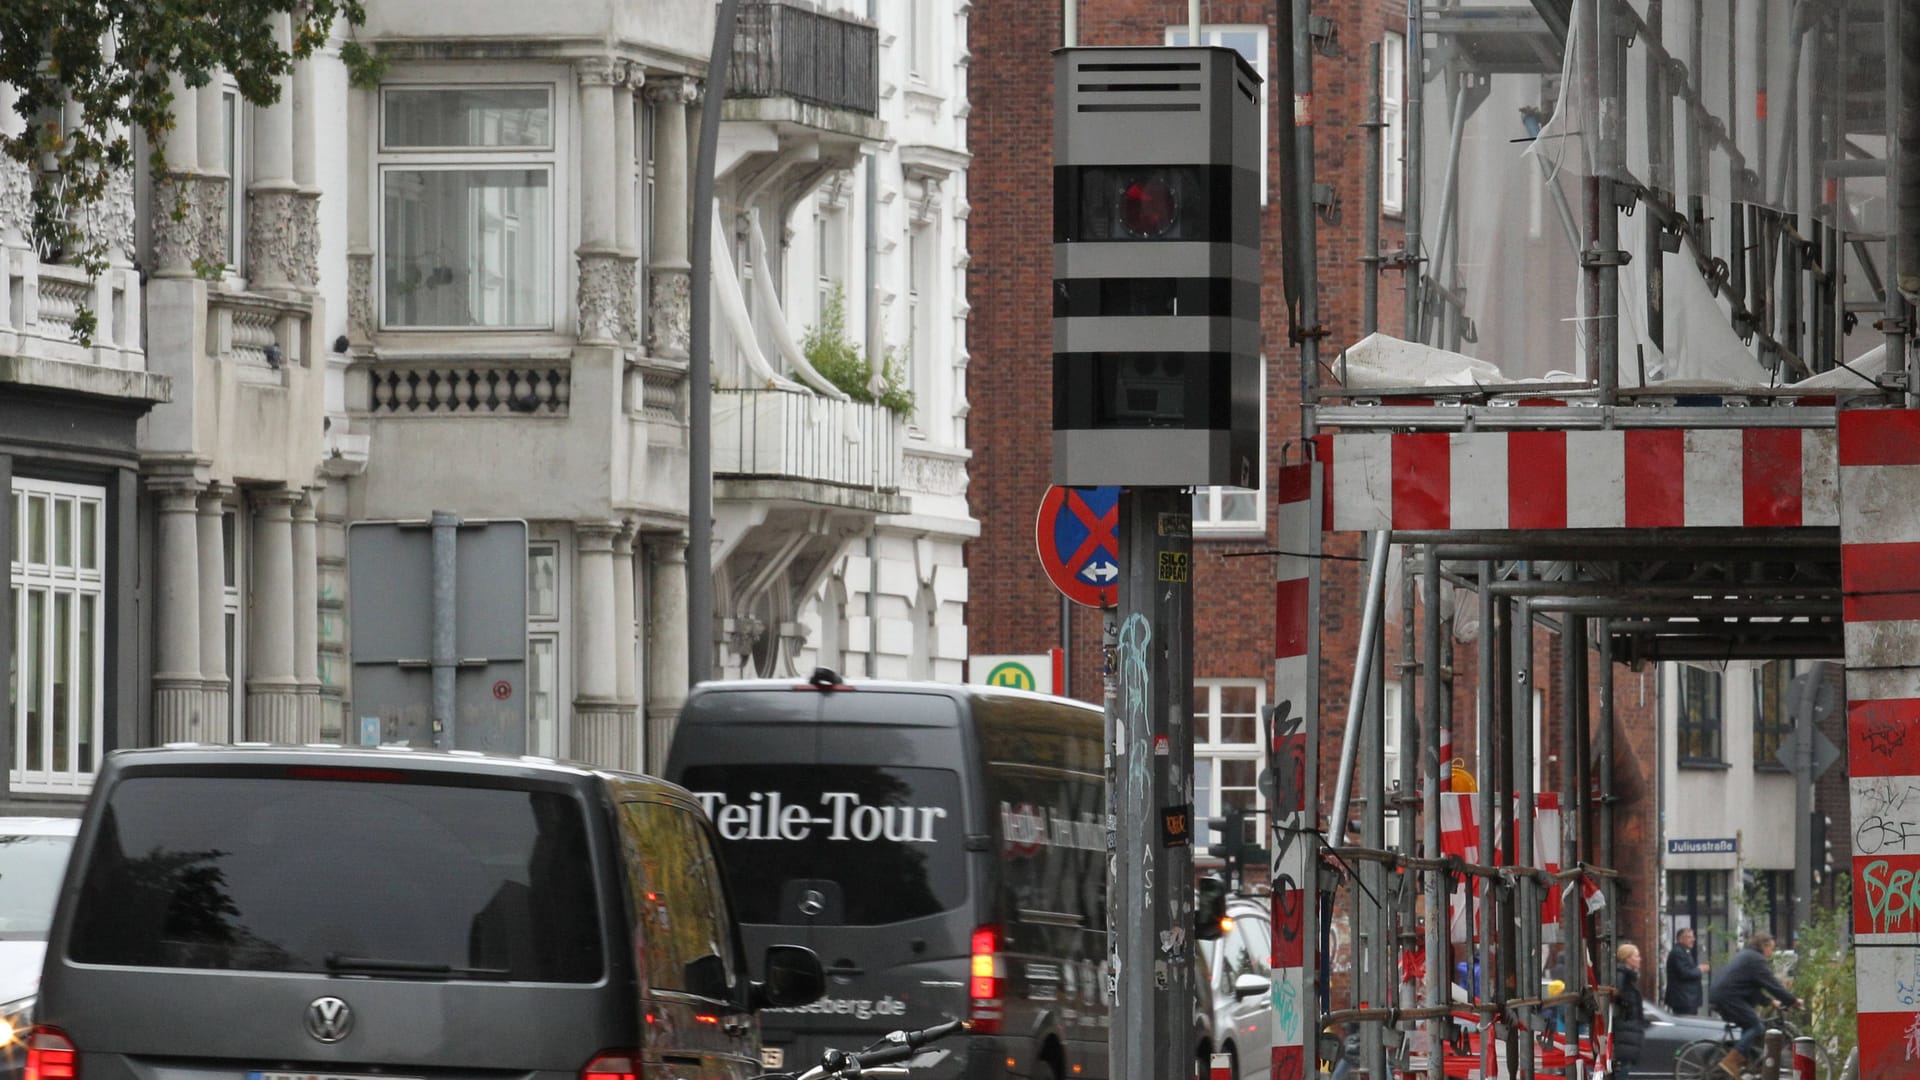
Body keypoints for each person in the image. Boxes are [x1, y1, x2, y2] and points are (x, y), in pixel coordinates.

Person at [1708, 932, 1800, 1077]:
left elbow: (1751, 988)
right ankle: (1731, 1061)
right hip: (1729, 997)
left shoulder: (1748, 956)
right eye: (1771, 949)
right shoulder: (1756, 960)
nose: (1772, 953)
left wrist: (1770, 1002)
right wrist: (1792, 1001)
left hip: (1724, 995)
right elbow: (1772, 985)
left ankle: (1742, 1064)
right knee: (1756, 1026)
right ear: (1764, 946)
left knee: (1749, 1025)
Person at [1613, 942, 1648, 1079]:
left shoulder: (1628, 978)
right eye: (1636, 956)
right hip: (1624, 1032)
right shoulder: (1623, 978)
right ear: (1628, 959)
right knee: (1622, 1071)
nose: (1640, 959)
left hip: (1627, 1032)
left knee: (1623, 1070)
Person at [1665, 926, 1709, 1015]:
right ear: (1680, 939)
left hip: (1686, 999)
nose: (1693, 939)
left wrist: (1697, 969)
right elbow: (1685, 973)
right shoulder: (1678, 953)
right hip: (1683, 1000)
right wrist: (1700, 969)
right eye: (1689, 937)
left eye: (1693, 937)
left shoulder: (1684, 951)